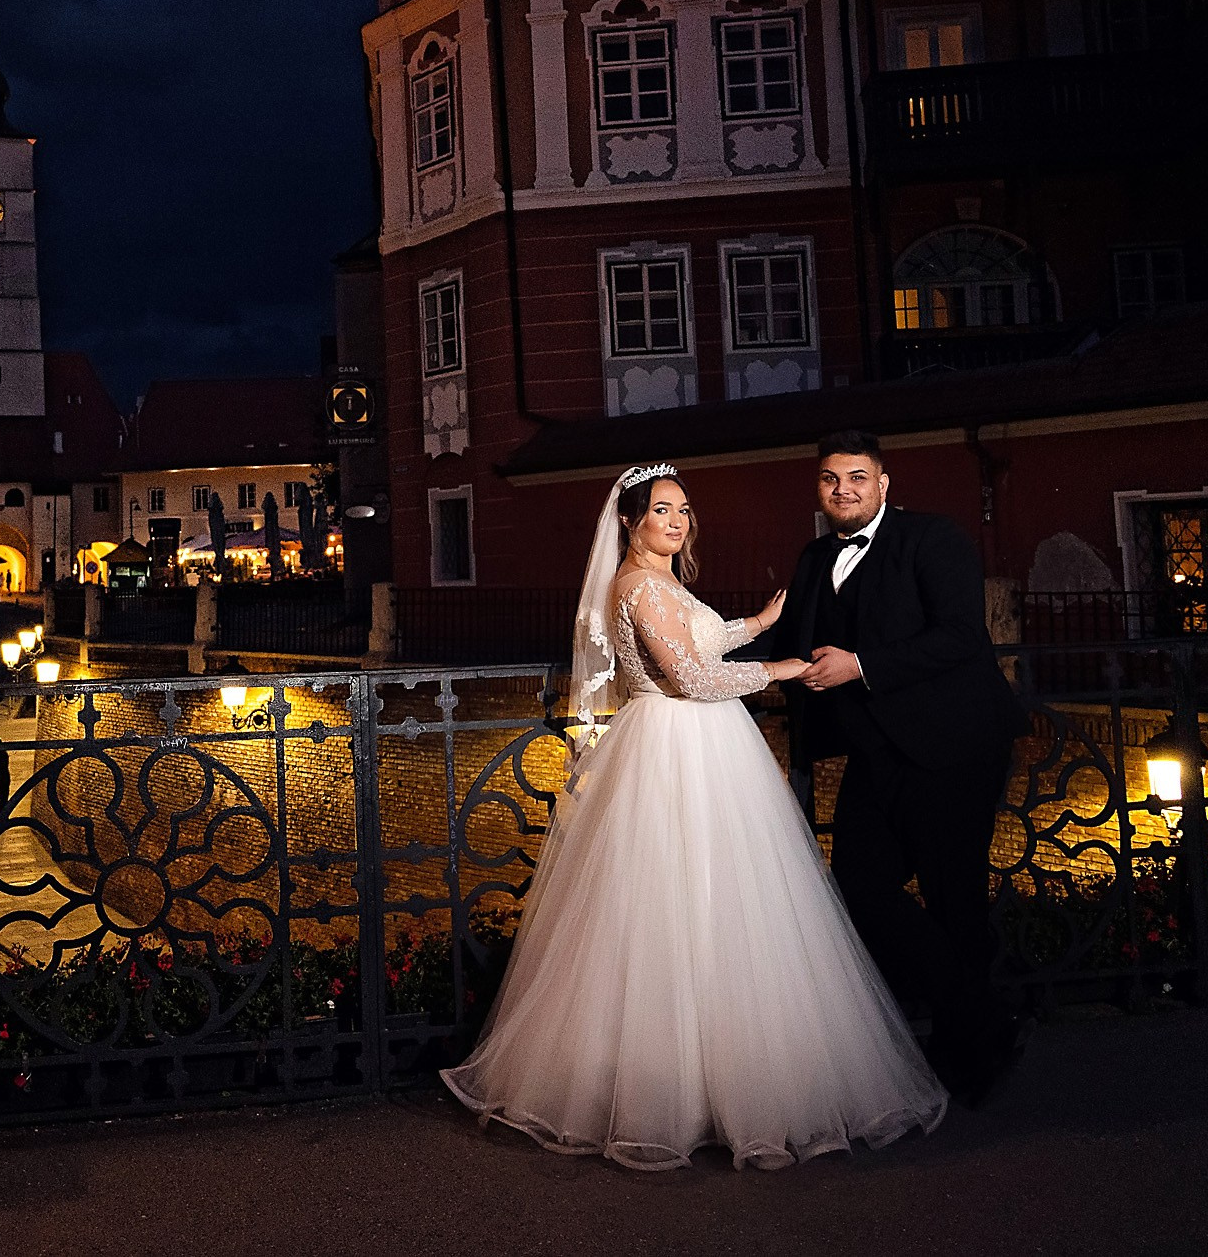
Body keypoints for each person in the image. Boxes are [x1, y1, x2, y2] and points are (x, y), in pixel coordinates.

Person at [440, 463, 946, 1169]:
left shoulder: (663, 581)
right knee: (672, 914)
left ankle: (721, 1085)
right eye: (662, 511)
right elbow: (690, 678)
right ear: (630, 520)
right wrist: (783, 667)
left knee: (725, 908)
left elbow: (698, 643)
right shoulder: (637, 584)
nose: (677, 522)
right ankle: (675, 1094)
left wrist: (758, 624)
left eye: (683, 510)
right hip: (673, 746)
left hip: (709, 747)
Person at [769, 430, 1028, 1107]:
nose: (843, 490)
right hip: (877, 752)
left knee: (954, 898)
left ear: (883, 484)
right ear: (818, 488)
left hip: (954, 746)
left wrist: (860, 666)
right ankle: (985, 1017)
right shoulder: (813, 556)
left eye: (857, 477)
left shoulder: (932, 539)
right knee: (857, 886)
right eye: (830, 479)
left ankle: (970, 1054)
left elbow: (960, 636)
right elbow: (783, 637)